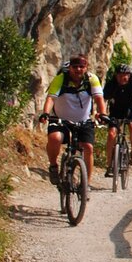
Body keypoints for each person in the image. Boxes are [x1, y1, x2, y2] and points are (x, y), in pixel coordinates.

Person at [40, 54, 106, 184]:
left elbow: (99, 99)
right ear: (69, 68)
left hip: (83, 120)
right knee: (55, 138)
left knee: (88, 147)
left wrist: (103, 113)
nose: (78, 69)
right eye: (75, 66)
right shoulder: (60, 79)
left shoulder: (92, 79)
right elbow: (51, 98)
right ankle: (53, 166)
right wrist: (46, 113)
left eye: (82, 66)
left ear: (86, 67)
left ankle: (86, 183)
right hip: (60, 119)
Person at [103, 64, 132, 176]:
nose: (123, 78)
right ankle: (109, 165)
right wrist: (102, 113)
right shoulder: (111, 85)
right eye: (120, 75)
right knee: (111, 134)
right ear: (116, 76)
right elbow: (103, 100)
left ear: (130, 75)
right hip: (116, 109)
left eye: (126, 75)